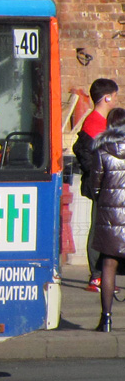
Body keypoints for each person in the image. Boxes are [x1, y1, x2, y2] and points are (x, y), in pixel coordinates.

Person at [74, 77, 119, 292]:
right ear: (107, 97)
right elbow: (96, 157)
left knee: (107, 229)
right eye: (114, 96)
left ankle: (105, 276)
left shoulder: (99, 122)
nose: (116, 100)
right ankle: (97, 275)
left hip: (107, 184)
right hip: (101, 184)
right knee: (99, 229)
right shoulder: (95, 123)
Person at [89, 106, 125, 332]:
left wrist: (102, 199)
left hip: (110, 216)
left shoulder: (102, 150)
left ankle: (107, 319)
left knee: (108, 265)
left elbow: (95, 185)